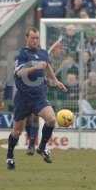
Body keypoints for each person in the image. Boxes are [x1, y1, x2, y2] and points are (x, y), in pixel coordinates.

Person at [6, 27, 67, 170]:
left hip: (39, 96)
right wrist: (34, 68)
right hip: (23, 98)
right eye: (32, 38)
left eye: (37, 38)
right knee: (16, 131)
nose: (35, 41)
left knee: (51, 120)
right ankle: (10, 156)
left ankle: (42, 147)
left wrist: (55, 80)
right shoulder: (22, 54)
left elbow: (47, 66)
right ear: (27, 38)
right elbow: (19, 73)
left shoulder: (43, 53)